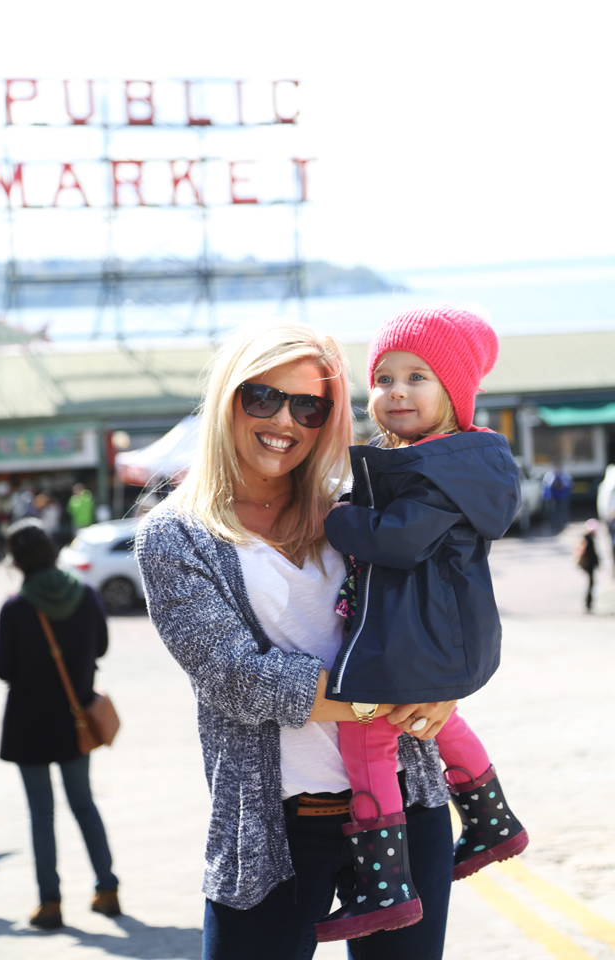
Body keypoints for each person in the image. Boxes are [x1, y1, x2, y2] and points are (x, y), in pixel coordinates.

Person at [136, 320, 456, 960]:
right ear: (229, 397)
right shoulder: (175, 536)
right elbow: (238, 678)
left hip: (404, 801)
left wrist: (445, 689)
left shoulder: (356, 508)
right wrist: (385, 699)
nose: (285, 419)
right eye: (263, 397)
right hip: (275, 829)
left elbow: (437, 609)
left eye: (309, 406)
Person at [318, 306, 528, 941]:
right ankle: (491, 820)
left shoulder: (437, 468)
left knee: (367, 736)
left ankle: (384, 886)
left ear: (454, 395)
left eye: (418, 377)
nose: (396, 392)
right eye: (383, 378)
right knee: (437, 721)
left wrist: (337, 518)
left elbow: (399, 541)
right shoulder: (451, 462)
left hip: (415, 634)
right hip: (430, 631)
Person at [0, 518, 119, 929]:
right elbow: (100, 646)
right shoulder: (83, 594)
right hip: (74, 717)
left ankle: (50, 903)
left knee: (40, 812)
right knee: (84, 803)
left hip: (28, 724)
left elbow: (2, 668)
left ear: (17, 560)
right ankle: (107, 888)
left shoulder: (16, 607)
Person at [576, 518, 600, 612]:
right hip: (589, 566)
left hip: (588, 566)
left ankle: (588, 603)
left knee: (590, 584)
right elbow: (592, 554)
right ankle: (588, 603)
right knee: (590, 584)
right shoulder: (588, 540)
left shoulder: (587, 538)